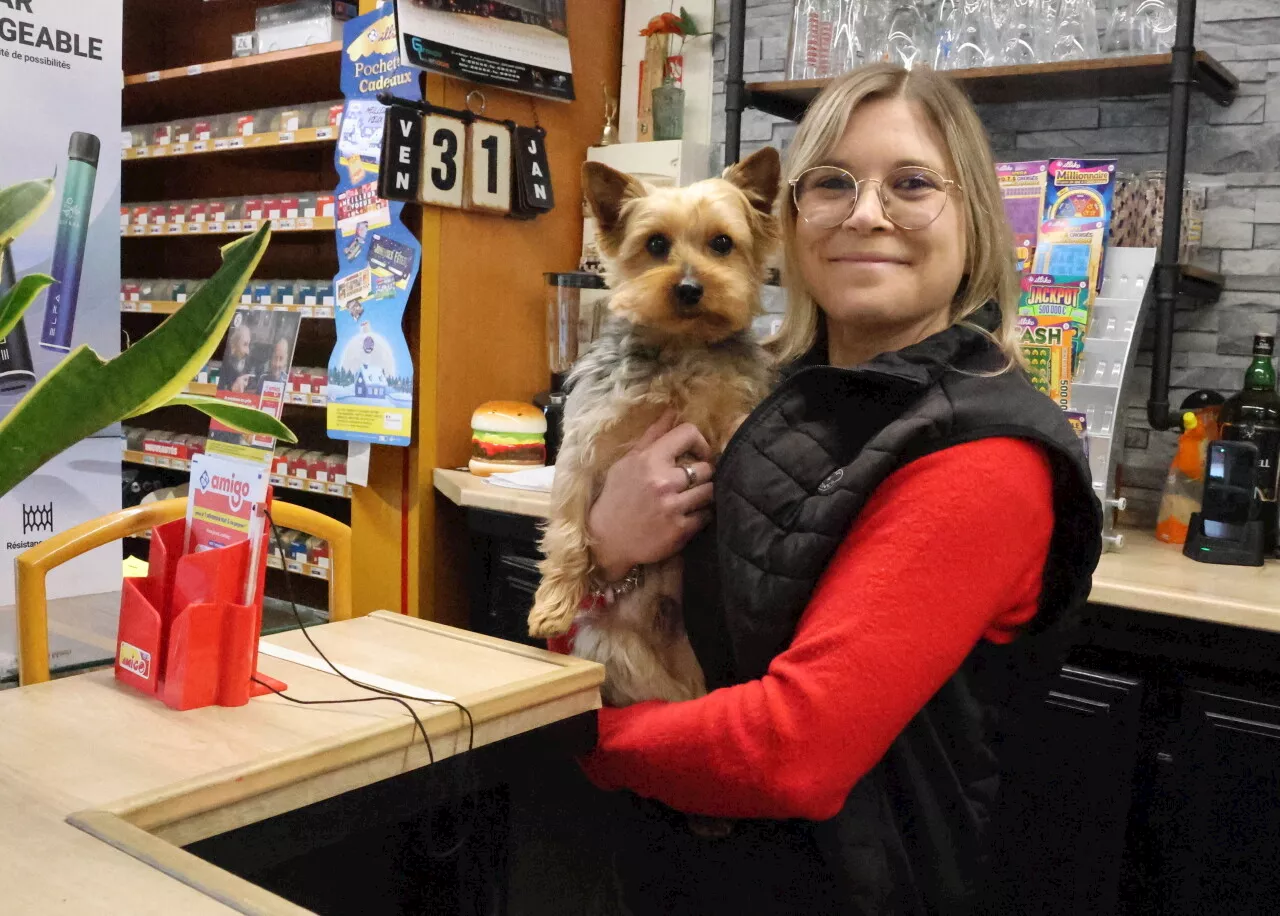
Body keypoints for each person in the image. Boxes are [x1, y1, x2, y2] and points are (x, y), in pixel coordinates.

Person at [560, 63, 1102, 915]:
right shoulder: (775, 393)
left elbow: (792, 753)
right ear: (792, 217)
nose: (866, 212)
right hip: (684, 866)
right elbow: (639, 615)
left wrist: (560, 736)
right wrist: (608, 548)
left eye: (912, 183)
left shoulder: (983, 453)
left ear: (975, 220)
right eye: (832, 183)